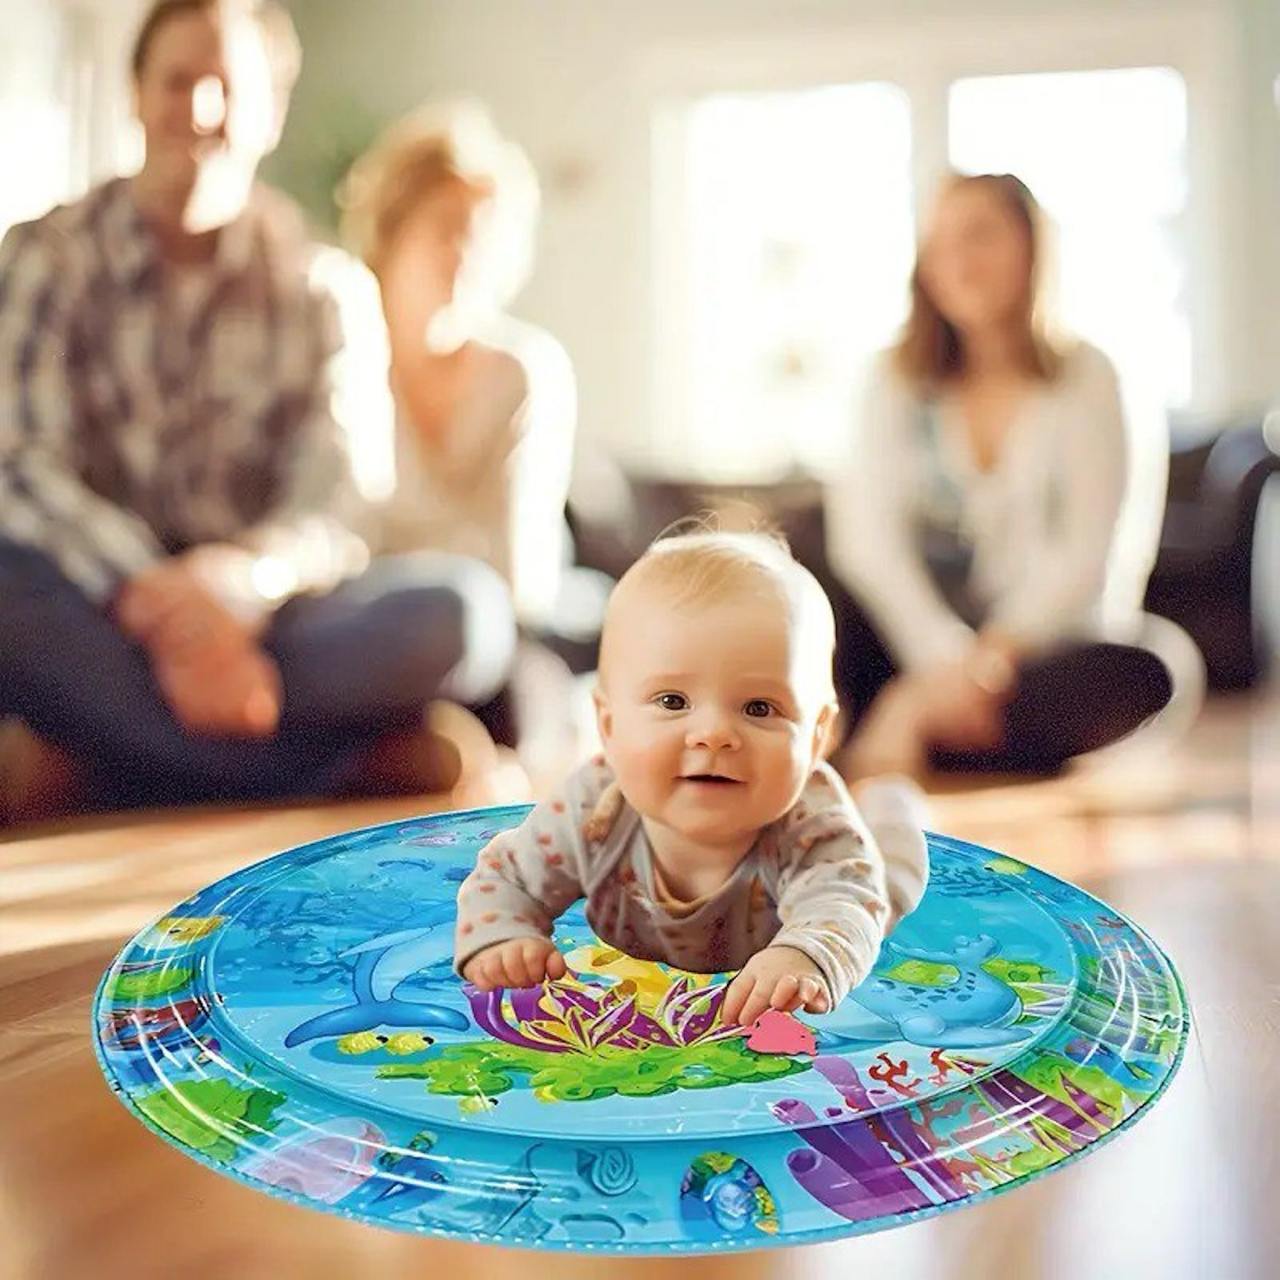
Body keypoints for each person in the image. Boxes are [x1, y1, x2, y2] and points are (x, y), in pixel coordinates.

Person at [0, 0, 516, 822]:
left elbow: (342, 502)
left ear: (270, 114)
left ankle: (109, 766)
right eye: (177, 82)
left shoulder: (325, 288)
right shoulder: (42, 257)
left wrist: (237, 582)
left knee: (466, 615)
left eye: (225, 87)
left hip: (272, 622)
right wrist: (155, 599)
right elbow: (20, 468)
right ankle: (324, 765)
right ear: (137, 95)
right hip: (101, 601)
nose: (199, 109)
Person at [452, 527, 930, 1030]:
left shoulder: (813, 825)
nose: (714, 734)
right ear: (609, 725)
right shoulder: (594, 806)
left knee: (890, 879)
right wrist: (504, 935)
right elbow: (508, 877)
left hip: (860, 866)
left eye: (759, 707)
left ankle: (891, 804)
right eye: (672, 702)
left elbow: (844, 903)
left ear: (816, 737)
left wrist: (802, 957)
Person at [825, 172, 1194, 779]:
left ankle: (910, 720)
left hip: (1037, 652)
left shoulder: (1091, 377)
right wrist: (942, 657)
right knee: (810, 611)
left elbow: (1090, 555)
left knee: (1158, 666)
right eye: (940, 244)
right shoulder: (891, 379)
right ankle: (957, 726)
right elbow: (868, 545)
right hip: (909, 642)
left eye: (980, 236)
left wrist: (994, 654)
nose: (958, 260)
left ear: (1033, 246)